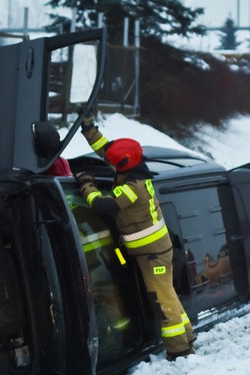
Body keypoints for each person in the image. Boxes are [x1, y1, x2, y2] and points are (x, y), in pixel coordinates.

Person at [76, 112, 195, 360]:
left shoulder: (133, 189)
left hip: (153, 254)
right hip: (155, 249)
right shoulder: (133, 168)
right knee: (168, 293)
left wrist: (87, 184)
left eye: (113, 164)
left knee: (162, 298)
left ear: (123, 165)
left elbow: (103, 206)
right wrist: (89, 129)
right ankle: (187, 335)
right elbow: (107, 150)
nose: (109, 164)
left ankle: (180, 350)